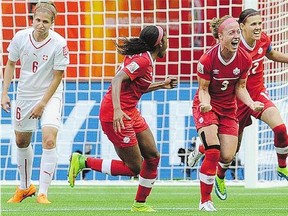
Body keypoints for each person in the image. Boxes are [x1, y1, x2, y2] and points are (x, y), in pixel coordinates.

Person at [68, 25, 177, 212]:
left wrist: (161, 85)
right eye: (165, 38)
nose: (168, 42)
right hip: (115, 113)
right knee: (134, 167)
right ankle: (83, 161)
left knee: (153, 156)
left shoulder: (145, 59)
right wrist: (118, 110)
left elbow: (135, 86)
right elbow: (117, 79)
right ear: (159, 43)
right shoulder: (143, 60)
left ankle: (139, 204)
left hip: (130, 111)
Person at [188, 8, 288, 201]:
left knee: (281, 127)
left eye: (260, 23)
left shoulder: (263, 40)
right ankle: (217, 173)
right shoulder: (229, 44)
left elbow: (272, 53)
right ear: (242, 27)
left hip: (256, 94)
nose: (258, 28)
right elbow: (212, 78)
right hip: (234, 102)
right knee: (229, 153)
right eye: (253, 24)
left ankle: (282, 166)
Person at [192, 15, 264, 211]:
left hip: (228, 109)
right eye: (231, 32)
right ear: (220, 37)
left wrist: (251, 104)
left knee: (226, 156)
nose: (237, 36)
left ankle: (201, 148)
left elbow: (241, 88)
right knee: (214, 150)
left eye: (238, 32)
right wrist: (205, 104)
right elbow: (203, 89)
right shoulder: (207, 59)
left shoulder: (244, 59)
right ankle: (205, 201)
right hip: (207, 106)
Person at [1, 2, 69, 204]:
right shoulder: (20, 37)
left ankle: (43, 192)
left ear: (52, 23)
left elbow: (58, 76)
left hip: (50, 94)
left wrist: (42, 103)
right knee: (21, 141)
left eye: (45, 21)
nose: (40, 25)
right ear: (33, 19)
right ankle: (24, 187)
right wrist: (4, 93)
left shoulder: (59, 43)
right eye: (37, 20)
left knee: (48, 139)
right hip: (24, 94)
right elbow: (11, 64)